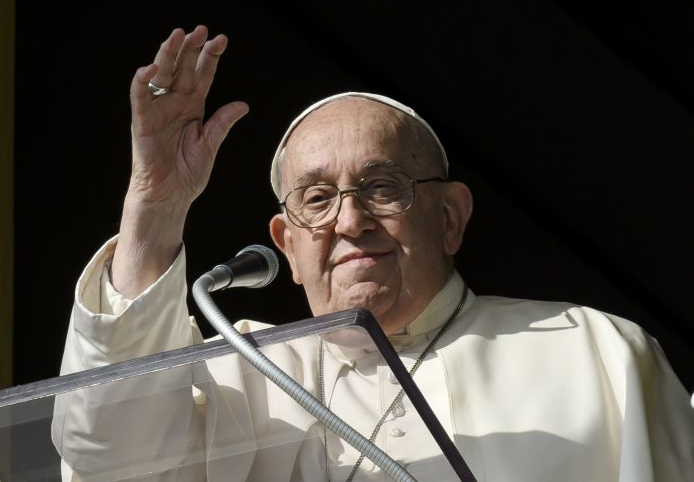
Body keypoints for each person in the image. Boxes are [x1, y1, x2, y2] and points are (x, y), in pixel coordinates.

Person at [52, 26, 694, 481]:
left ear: (450, 218)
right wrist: (155, 206)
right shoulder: (240, 373)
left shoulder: (596, 354)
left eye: (383, 188)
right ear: (288, 246)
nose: (350, 220)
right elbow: (106, 456)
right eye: (317, 198)